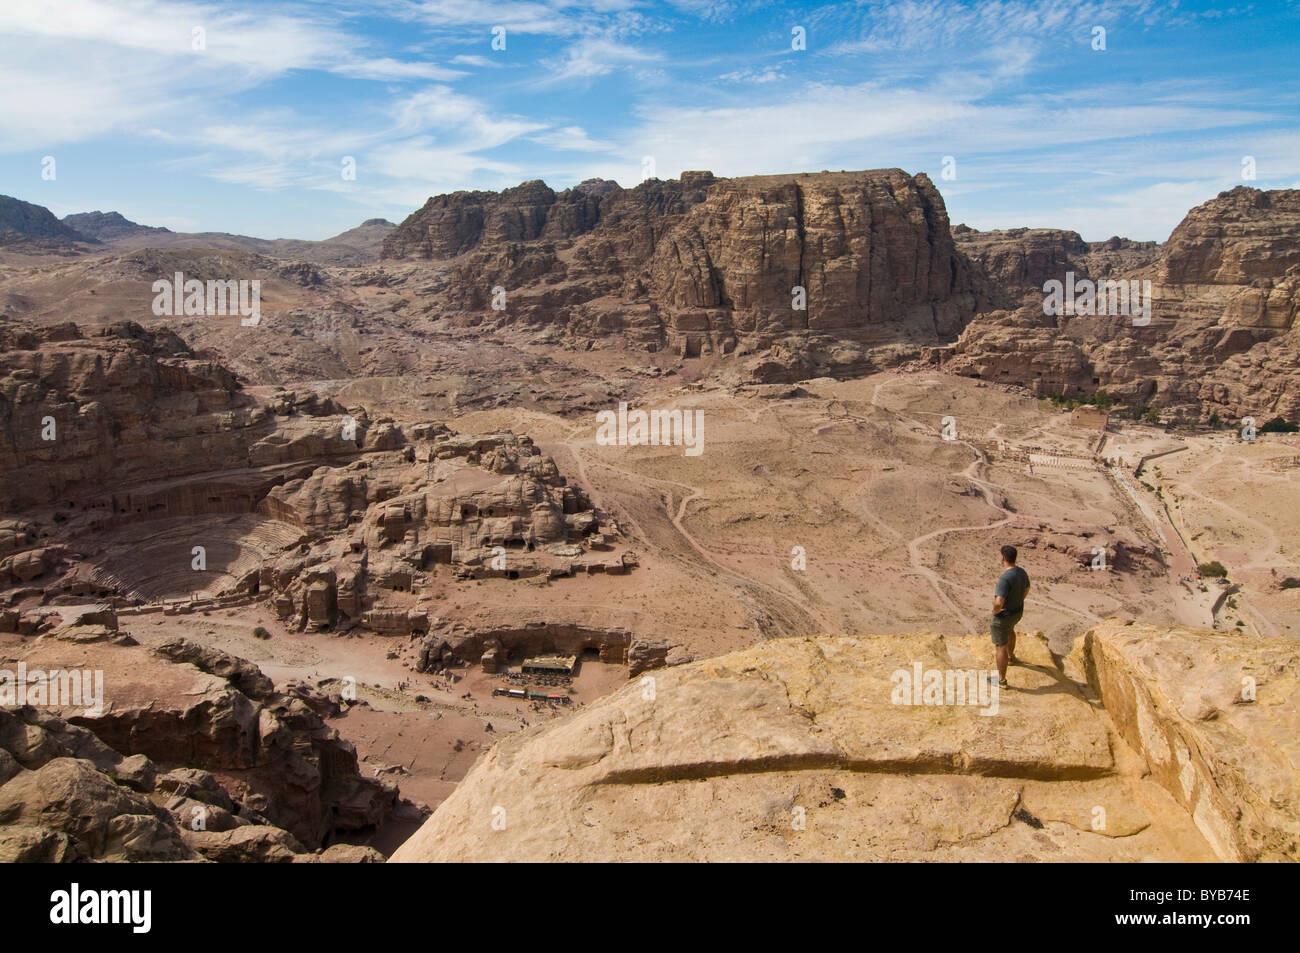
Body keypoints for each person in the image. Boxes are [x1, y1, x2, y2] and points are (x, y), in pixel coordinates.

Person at [991, 545, 1030, 689]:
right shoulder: (1021, 572)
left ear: (1003, 558)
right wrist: (1018, 601)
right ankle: (1012, 657)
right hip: (1017, 612)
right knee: (1010, 630)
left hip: (1004, 616)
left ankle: (1001, 680)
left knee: (1000, 646)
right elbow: (1027, 589)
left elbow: (999, 601)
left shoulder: (1005, 578)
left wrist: (996, 611)